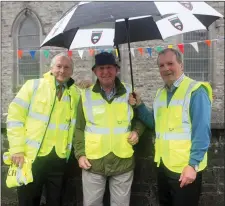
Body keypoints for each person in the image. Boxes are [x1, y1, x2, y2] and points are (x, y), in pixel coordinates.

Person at [129, 48, 212, 206]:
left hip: (185, 169)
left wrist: (192, 165)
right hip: (164, 166)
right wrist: (139, 105)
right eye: (161, 65)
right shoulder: (160, 94)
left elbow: (202, 132)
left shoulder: (195, 91)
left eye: (170, 63)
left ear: (181, 65)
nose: (166, 68)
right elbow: (155, 124)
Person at [6, 52, 82, 206]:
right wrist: (17, 149)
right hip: (32, 158)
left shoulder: (75, 93)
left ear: (71, 71)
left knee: (57, 202)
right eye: (59, 66)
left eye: (66, 67)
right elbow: (15, 118)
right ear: (51, 68)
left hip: (59, 159)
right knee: (28, 201)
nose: (62, 70)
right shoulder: (33, 86)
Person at [73, 52, 145, 206]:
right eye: (101, 68)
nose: (105, 72)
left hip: (122, 161)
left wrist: (137, 132)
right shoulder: (85, 95)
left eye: (109, 67)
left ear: (117, 69)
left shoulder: (129, 92)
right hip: (93, 161)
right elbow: (79, 127)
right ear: (95, 71)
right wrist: (80, 155)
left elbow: (140, 118)